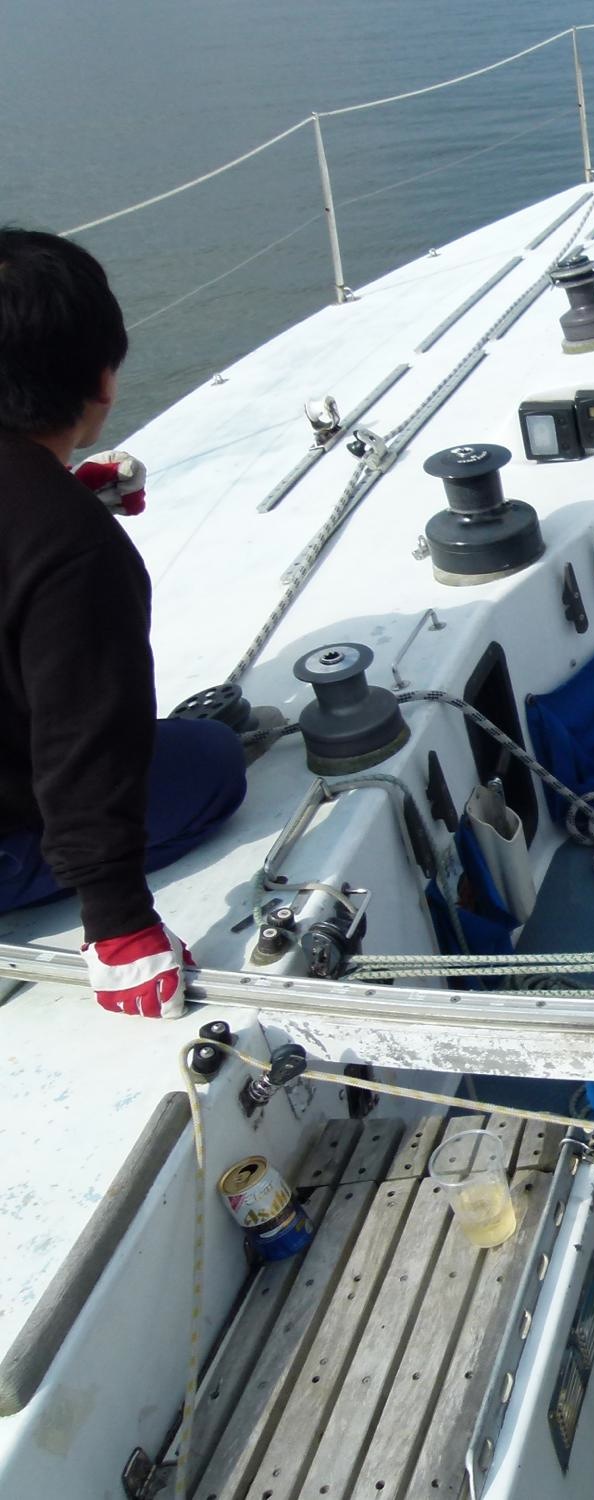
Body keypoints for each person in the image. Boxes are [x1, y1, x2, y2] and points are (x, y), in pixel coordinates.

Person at [0, 227, 245, 1018]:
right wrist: (120, 925)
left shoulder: (47, 519)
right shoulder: (72, 547)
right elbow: (83, 736)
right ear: (103, 381)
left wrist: (62, 485)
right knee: (209, 759)